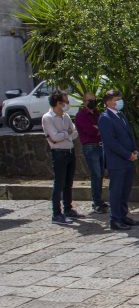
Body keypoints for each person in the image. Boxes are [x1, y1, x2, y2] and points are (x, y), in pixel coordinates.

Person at [97, 90, 139, 230]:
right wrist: (127, 154)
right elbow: (111, 142)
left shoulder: (121, 115)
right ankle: (115, 219)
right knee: (116, 190)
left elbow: (129, 135)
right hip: (117, 161)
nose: (119, 101)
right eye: (116, 99)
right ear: (108, 101)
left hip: (128, 159)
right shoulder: (105, 118)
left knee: (125, 189)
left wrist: (134, 150)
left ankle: (123, 215)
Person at [42, 90, 80, 224]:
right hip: (59, 153)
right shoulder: (48, 118)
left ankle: (68, 209)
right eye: (65, 101)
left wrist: (63, 134)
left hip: (69, 151)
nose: (67, 104)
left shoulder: (66, 116)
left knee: (68, 183)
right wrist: (66, 133)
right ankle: (56, 214)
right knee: (59, 183)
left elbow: (75, 133)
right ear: (58, 103)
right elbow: (54, 137)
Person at [74, 91, 108, 214]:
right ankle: (96, 202)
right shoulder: (81, 115)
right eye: (89, 100)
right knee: (96, 175)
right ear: (84, 102)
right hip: (90, 147)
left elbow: (103, 127)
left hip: (100, 146)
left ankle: (99, 200)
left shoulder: (97, 113)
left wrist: (98, 129)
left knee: (101, 175)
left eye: (94, 100)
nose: (92, 102)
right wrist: (98, 129)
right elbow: (90, 131)